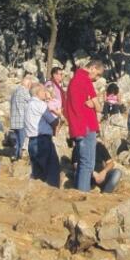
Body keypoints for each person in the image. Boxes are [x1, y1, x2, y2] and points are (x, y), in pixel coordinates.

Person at [65, 60, 104, 192]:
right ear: (92, 68)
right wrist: (95, 105)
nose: (97, 78)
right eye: (98, 74)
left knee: (83, 162)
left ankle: (78, 191)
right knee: (87, 163)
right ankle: (83, 192)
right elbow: (98, 107)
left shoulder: (74, 79)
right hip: (86, 126)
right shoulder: (85, 80)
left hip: (77, 127)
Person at [24, 84, 60, 187]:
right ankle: (52, 193)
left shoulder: (27, 105)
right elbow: (53, 121)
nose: (45, 93)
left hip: (31, 141)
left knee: (37, 174)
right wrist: (59, 117)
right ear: (37, 92)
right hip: (43, 140)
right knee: (52, 169)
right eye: (43, 91)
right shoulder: (40, 105)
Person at [9, 74, 33, 161]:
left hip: (14, 120)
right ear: (28, 85)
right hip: (22, 120)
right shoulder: (24, 91)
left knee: (17, 141)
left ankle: (16, 157)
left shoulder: (15, 91)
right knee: (22, 141)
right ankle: (19, 158)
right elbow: (31, 103)